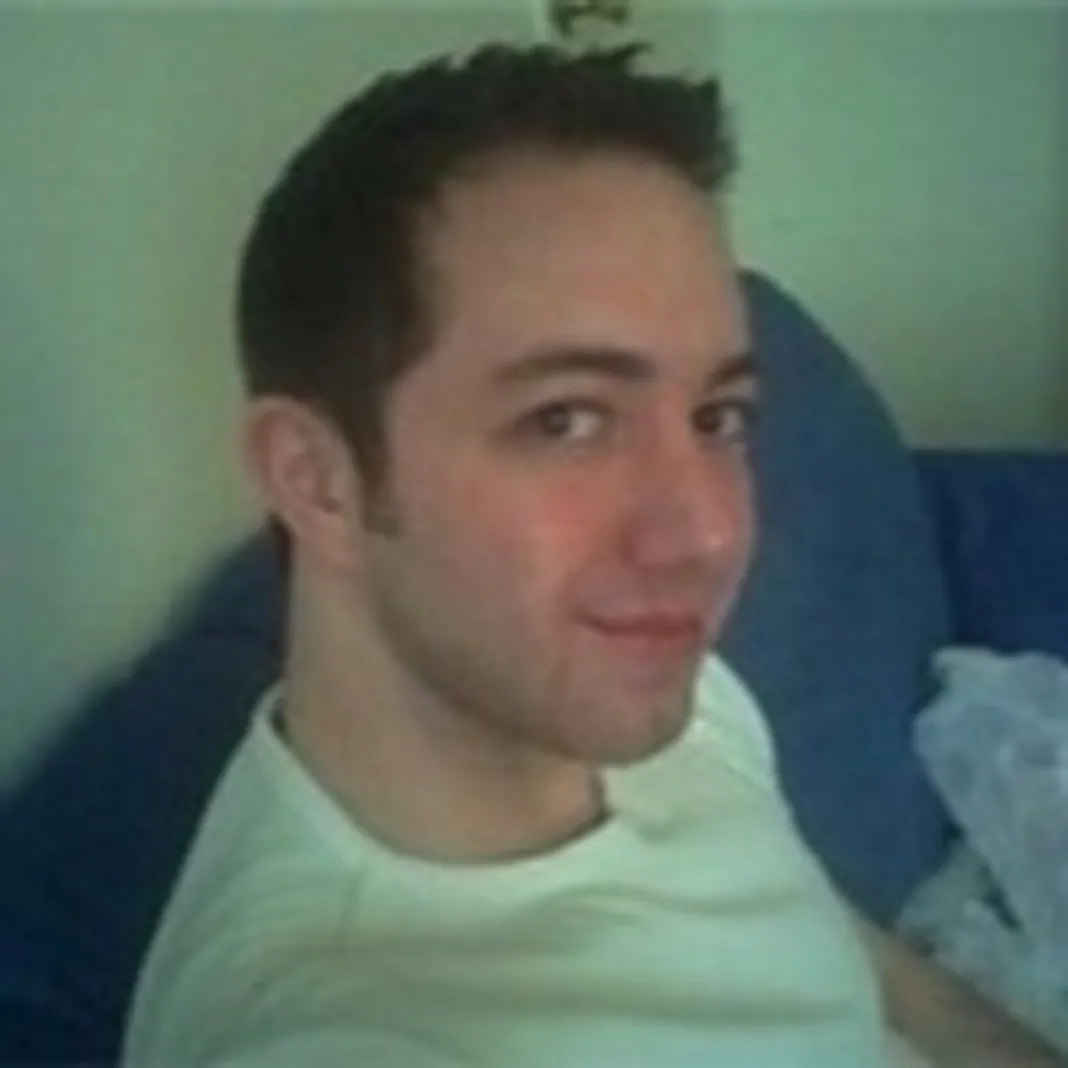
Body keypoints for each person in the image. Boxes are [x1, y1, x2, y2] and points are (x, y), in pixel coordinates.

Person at [122, 44, 1065, 1067]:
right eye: (565, 420)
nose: (707, 536)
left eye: (718, 416)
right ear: (318, 480)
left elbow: (824, 936)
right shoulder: (354, 1029)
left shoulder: (657, 687)